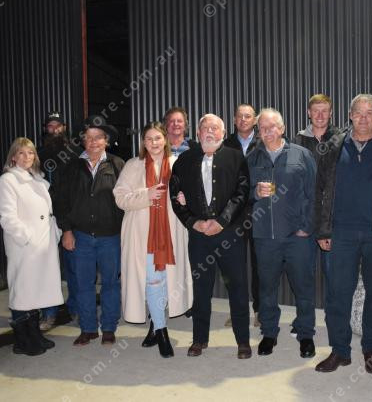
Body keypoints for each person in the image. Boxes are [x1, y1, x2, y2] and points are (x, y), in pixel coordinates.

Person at [314, 94, 372, 374]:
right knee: (337, 294)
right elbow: (320, 191)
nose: (364, 118)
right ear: (350, 115)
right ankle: (340, 350)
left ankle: (370, 349)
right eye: (358, 112)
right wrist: (322, 229)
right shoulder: (333, 145)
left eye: (370, 113)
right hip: (340, 233)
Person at [170, 114, 252, 359]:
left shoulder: (236, 157)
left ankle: (243, 341)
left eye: (215, 128)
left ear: (223, 133)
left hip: (230, 235)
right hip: (199, 237)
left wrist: (221, 221)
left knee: (237, 288)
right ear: (197, 132)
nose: (209, 131)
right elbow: (175, 196)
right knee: (201, 289)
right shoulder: (184, 160)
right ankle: (199, 339)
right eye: (205, 127)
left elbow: (242, 193)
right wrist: (193, 222)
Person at [113, 122, 193, 358]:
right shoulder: (133, 165)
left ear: (165, 139)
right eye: (149, 139)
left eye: (157, 138)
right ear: (143, 142)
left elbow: (191, 193)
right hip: (141, 234)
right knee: (153, 280)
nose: (154, 143)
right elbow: (120, 197)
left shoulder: (177, 163)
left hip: (171, 231)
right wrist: (146, 195)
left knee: (167, 280)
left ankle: (154, 326)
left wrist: (185, 198)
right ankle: (162, 331)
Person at [246, 108, 317, 359]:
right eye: (263, 128)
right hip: (265, 236)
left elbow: (314, 193)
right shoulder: (252, 158)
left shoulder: (302, 155)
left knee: (304, 287)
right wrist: (255, 192)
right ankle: (269, 333)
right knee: (266, 288)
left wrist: (306, 227)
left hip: (297, 237)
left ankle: (306, 334)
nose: (267, 132)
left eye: (272, 127)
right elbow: (241, 194)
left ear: (283, 128)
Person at [54, 115, 125, 346]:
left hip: (111, 237)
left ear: (106, 140)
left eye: (98, 137)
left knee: (111, 284)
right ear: (83, 141)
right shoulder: (72, 167)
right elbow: (61, 201)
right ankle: (88, 328)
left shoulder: (117, 165)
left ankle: (109, 327)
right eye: (89, 137)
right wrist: (66, 230)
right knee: (83, 284)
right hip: (81, 236)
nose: (93, 142)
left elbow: (127, 200)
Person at [0, 137, 63, 356]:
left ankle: (34, 334)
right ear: (13, 157)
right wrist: (27, 238)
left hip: (44, 244)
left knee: (36, 290)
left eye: (30, 153)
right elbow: (7, 217)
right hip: (24, 247)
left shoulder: (36, 179)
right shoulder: (7, 181)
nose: (27, 157)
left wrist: (55, 232)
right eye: (21, 153)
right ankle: (22, 340)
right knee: (23, 291)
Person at [293, 93, 341, 336]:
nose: (320, 115)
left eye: (325, 110)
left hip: (333, 220)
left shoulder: (342, 138)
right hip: (305, 219)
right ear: (308, 113)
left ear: (331, 113)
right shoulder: (297, 141)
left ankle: (335, 323)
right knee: (304, 276)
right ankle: (304, 324)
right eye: (316, 110)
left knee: (334, 277)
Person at [37, 111, 82, 330]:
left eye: (58, 125)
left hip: (71, 219)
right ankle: (49, 313)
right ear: (45, 129)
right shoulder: (37, 154)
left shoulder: (75, 152)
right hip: (44, 219)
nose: (54, 129)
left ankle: (76, 308)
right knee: (47, 269)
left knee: (75, 267)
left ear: (64, 128)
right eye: (50, 126)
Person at [223, 103, 261, 328]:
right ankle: (237, 310)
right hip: (233, 213)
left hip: (259, 211)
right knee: (234, 265)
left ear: (255, 120)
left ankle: (259, 310)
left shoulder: (264, 141)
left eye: (248, 116)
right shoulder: (225, 144)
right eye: (240, 116)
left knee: (260, 264)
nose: (244, 120)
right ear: (234, 120)